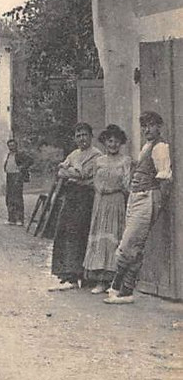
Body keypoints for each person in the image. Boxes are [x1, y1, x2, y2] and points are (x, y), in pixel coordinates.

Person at [105, 112, 172, 304]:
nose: (146, 129)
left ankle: (117, 286)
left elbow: (164, 178)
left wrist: (157, 205)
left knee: (128, 245)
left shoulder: (160, 147)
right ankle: (126, 291)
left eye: (150, 125)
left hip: (147, 197)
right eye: (143, 126)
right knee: (134, 245)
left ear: (159, 126)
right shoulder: (146, 147)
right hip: (136, 198)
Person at [49, 122, 101, 291]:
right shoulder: (73, 154)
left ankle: (86, 276)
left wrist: (71, 172)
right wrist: (73, 172)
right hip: (71, 197)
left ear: (91, 136)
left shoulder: (96, 155)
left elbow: (86, 175)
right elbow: (60, 171)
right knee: (67, 233)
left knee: (82, 233)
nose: (81, 139)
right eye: (78, 136)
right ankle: (70, 275)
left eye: (84, 135)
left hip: (86, 197)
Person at [83, 125, 131, 293]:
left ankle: (113, 281)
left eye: (117, 141)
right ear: (104, 142)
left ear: (121, 143)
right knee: (101, 238)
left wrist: (115, 189)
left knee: (114, 237)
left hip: (116, 201)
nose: (113, 144)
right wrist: (100, 188)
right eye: (110, 141)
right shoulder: (99, 161)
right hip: (100, 202)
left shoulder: (125, 161)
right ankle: (100, 281)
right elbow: (94, 180)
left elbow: (127, 184)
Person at [3, 138, 33, 226]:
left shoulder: (20, 154)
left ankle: (20, 219)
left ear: (16, 146)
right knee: (9, 198)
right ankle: (11, 219)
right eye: (9, 146)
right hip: (9, 176)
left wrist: (22, 167)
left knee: (17, 197)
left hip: (17, 176)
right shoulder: (9, 154)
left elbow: (30, 160)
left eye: (13, 145)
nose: (11, 147)